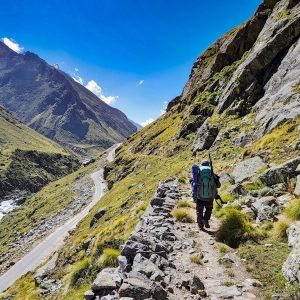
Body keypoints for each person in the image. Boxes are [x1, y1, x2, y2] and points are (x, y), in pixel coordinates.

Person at [191, 159, 221, 230]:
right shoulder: (212, 173)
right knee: (209, 208)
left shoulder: (198, 174)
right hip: (210, 197)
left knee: (199, 210)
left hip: (199, 196)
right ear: (208, 165)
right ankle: (205, 219)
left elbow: (194, 183)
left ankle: (200, 225)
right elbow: (219, 185)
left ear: (201, 165)